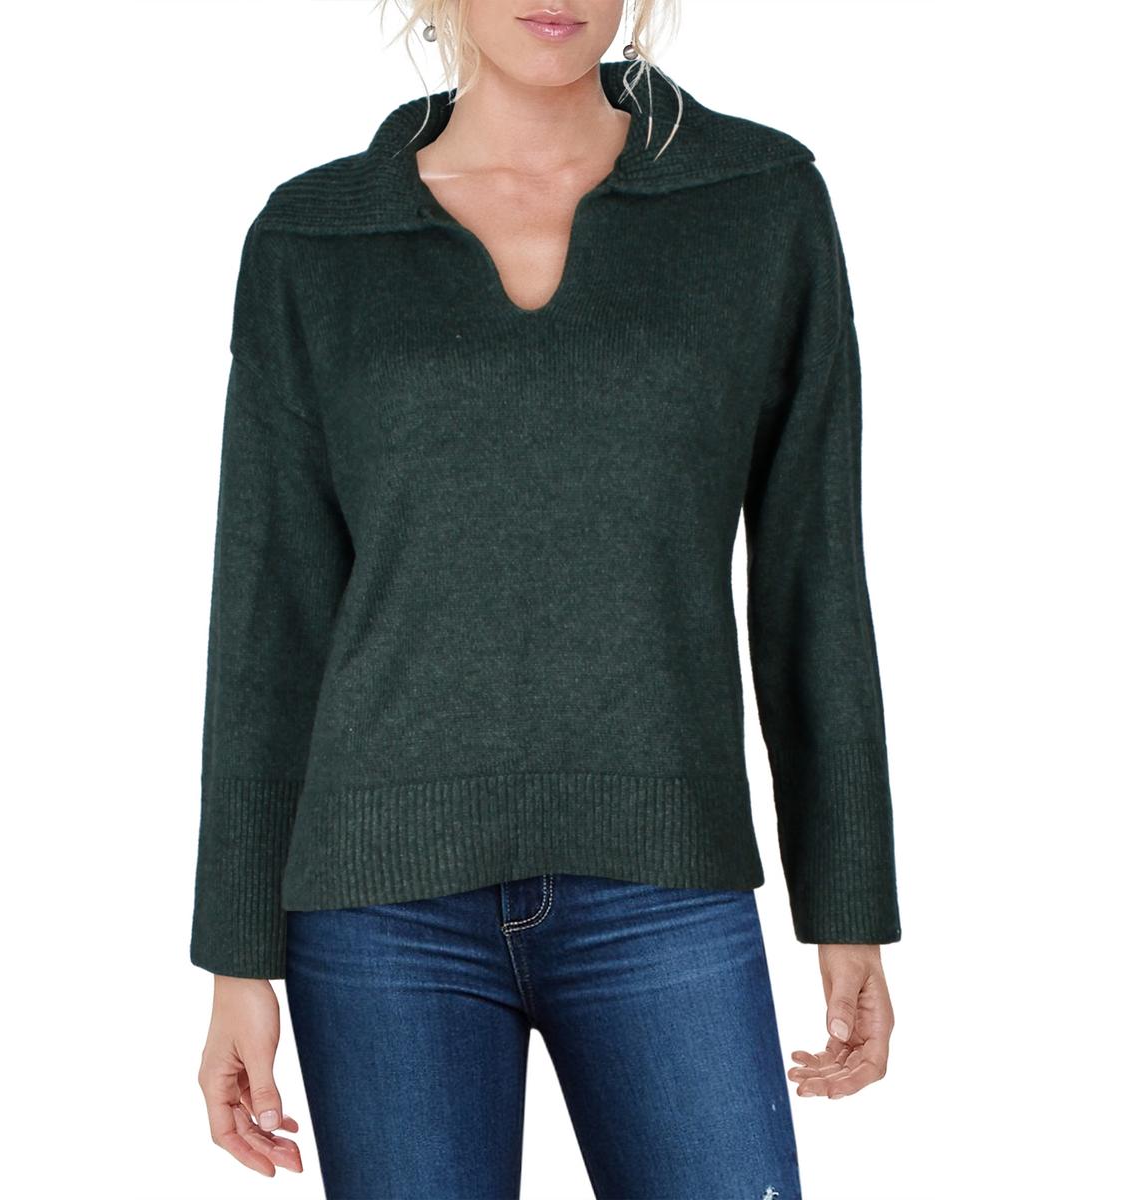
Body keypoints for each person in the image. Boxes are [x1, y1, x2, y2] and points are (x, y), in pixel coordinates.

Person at [190, 2, 902, 1196]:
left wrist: (848, 901)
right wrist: (235, 959)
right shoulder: (317, 237)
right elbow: (270, 615)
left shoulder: (756, 203)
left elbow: (812, 572)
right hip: (378, 910)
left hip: (665, 881)